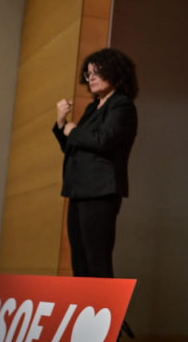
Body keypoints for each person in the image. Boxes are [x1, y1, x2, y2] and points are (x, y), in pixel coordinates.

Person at [53, 48, 139, 279]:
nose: (91, 78)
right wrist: (61, 122)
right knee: (80, 261)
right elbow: (72, 146)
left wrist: (73, 130)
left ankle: (104, 305)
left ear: (116, 73)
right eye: (88, 73)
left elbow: (103, 140)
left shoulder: (121, 105)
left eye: (97, 72)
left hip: (100, 191)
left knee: (97, 261)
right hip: (79, 190)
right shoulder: (93, 107)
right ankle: (84, 304)